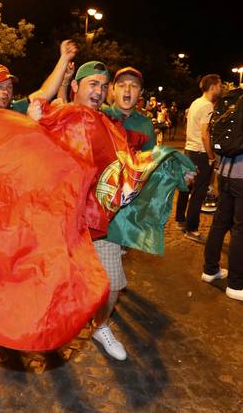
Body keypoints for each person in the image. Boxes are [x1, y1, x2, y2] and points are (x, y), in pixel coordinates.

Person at [95, 66, 156, 360]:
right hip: (95, 210)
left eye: (133, 86)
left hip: (124, 216)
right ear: (112, 91)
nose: (127, 90)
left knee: (110, 278)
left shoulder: (145, 126)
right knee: (109, 281)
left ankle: (97, 320)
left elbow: (152, 166)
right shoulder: (100, 115)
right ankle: (92, 323)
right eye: (122, 85)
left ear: (140, 94)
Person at [175, 74, 223, 243]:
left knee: (186, 186)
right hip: (201, 153)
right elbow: (205, 134)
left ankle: (180, 220)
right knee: (199, 192)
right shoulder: (207, 106)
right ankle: (192, 229)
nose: (221, 88)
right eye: (220, 85)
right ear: (213, 87)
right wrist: (211, 156)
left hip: (189, 150)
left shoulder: (196, 102)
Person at [202, 148, 243, 301]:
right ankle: (236, 285)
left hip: (225, 175)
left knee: (219, 223)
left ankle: (210, 270)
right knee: (240, 230)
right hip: (242, 178)